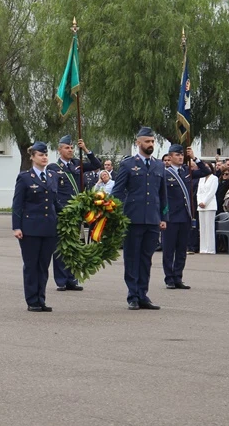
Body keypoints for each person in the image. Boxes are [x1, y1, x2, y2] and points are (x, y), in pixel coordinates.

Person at [111, 127, 167, 310]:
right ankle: (132, 295)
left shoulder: (159, 165)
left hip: (152, 219)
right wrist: (116, 214)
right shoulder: (128, 165)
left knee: (146, 259)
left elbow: (162, 194)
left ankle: (143, 294)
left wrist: (163, 217)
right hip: (132, 219)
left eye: (152, 142)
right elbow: (117, 192)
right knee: (132, 258)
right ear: (138, 142)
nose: (150, 145)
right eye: (147, 141)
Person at [48, 135, 101, 292]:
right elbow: (53, 191)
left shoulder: (77, 164)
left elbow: (96, 164)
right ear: (59, 150)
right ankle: (61, 280)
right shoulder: (54, 167)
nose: (70, 150)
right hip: (63, 211)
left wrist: (85, 149)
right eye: (67, 148)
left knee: (76, 246)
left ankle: (72, 279)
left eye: (71, 148)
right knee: (61, 247)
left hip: (79, 211)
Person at [11, 141, 58, 311]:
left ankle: (41, 299)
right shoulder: (25, 177)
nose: (44, 157)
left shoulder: (53, 176)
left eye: (46, 154)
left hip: (49, 228)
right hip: (30, 228)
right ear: (32, 157)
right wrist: (16, 227)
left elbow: (55, 203)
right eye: (41, 154)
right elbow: (17, 204)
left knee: (43, 266)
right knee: (31, 265)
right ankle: (32, 301)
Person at [161, 145, 211, 288]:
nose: (181, 157)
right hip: (170, 217)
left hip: (185, 216)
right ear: (169, 158)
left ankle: (178, 277)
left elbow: (207, 171)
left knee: (182, 250)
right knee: (169, 250)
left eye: (182, 155)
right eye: (177, 155)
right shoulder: (164, 173)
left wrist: (195, 158)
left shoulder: (186, 171)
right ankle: (169, 278)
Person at [196, 166, 220, 255]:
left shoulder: (214, 178)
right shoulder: (201, 178)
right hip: (200, 206)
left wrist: (205, 202)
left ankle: (210, 248)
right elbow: (198, 192)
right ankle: (203, 248)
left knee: (209, 227)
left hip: (210, 204)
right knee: (202, 227)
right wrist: (199, 202)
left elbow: (212, 192)